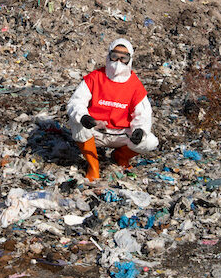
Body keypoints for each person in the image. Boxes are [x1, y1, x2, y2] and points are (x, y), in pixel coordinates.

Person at [66, 38, 158, 181]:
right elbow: (76, 102)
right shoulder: (95, 78)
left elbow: (144, 114)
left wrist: (140, 130)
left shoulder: (135, 85)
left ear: (130, 59)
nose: (118, 62)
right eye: (115, 56)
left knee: (149, 141)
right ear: (109, 55)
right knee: (77, 123)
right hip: (96, 131)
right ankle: (93, 166)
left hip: (121, 135)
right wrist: (84, 117)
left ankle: (121, 156)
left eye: (124, 58)